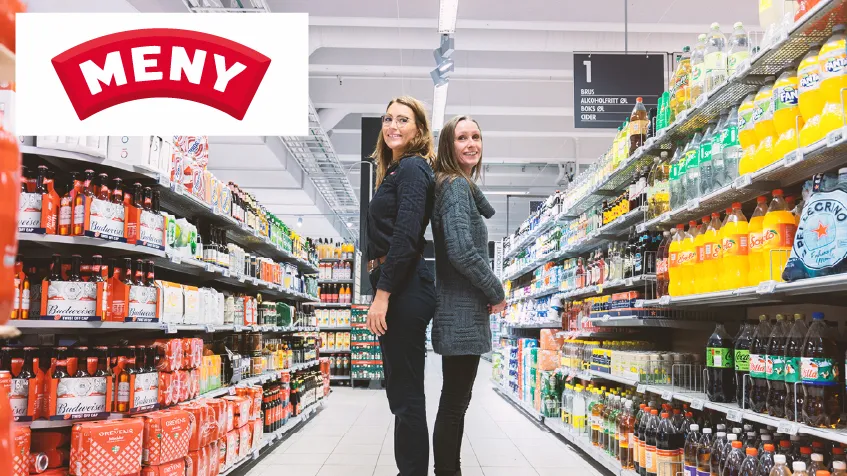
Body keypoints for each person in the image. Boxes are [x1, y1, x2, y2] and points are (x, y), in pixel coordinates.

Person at [431, 115, 507, 476]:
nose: (471, 143)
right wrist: (496, 289)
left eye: (476, 136)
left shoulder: (455, 186)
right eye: (462, 137)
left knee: (456, 402)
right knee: (454, 404)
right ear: (448, 145)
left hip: (459, 312)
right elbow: (461, 250)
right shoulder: (455, 187)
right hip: (460, 314)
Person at [366, 96, 437, 476]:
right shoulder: (396, 170)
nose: (393, 125)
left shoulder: (412, 168)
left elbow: (408, 236)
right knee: (401, 392)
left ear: (419, 130)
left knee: (406, 394)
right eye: (388, 118)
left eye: (403, 119)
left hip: (404, 289)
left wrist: (382, 295)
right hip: (400, 286)